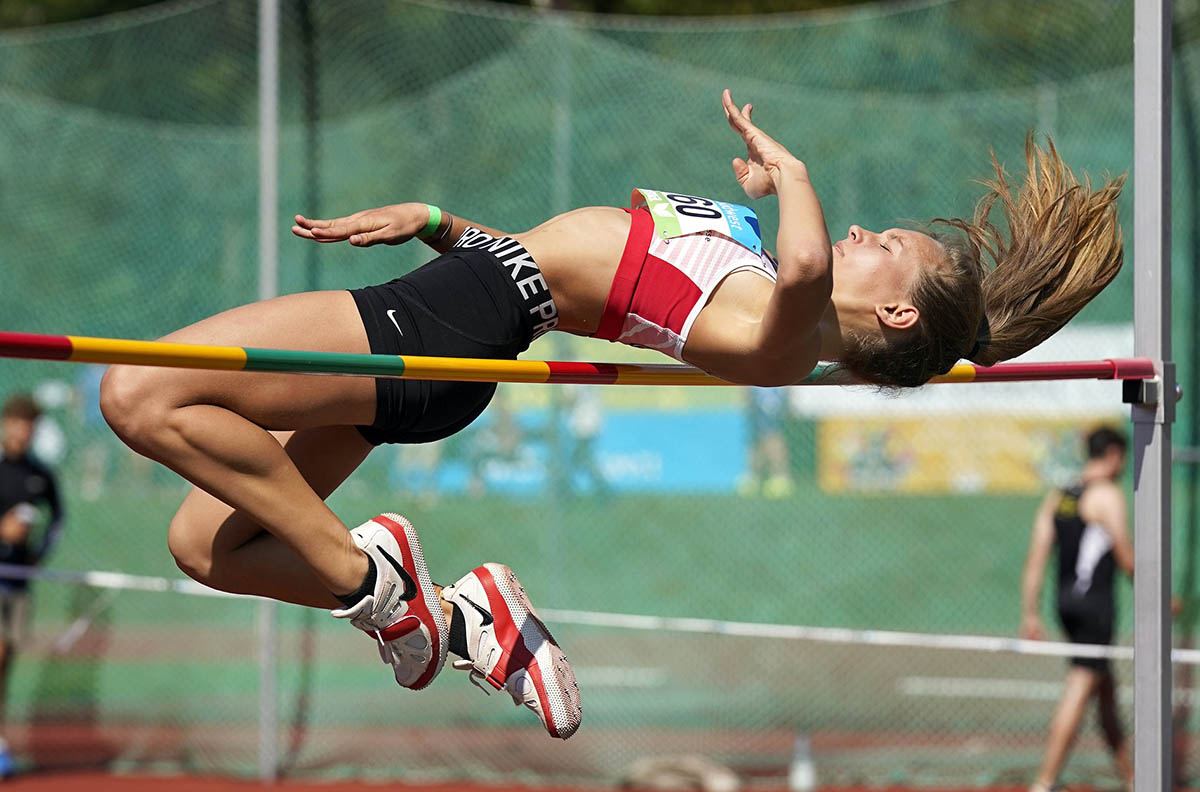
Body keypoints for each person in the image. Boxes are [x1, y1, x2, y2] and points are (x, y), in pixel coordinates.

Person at [97, 90, 1124, 741]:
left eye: (886, 243)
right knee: (205, 544)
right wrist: (444, 226)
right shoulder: (764, 281)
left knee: (138, 391)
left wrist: (793, 171)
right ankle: (463, 618)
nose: (860, 230)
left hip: (457, 322)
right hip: (477, 301)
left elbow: (810, 261)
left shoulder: (784, 329)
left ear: (894, 310)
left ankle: (380, 585)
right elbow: (562, 270)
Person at [1020, 426, 1133, 791]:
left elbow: (1037, 559)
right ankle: (1045, 781)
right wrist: (1161, 600)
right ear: (1115, 454)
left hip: (1065, 604)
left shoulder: (1060, 497)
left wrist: (1031, 612)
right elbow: (1126, 558)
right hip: (1095, 606)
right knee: (1082, 683)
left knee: (1104, 690)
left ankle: (1133, 777)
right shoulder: (1106, 496)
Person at [0, 394, 65, 775]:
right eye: (20, 422)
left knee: (6, 664)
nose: (25, 431)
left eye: (32, 425)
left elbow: (58, 520)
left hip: (20, 582)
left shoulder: (41, 474)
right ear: (7, 423)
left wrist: (39, 553)